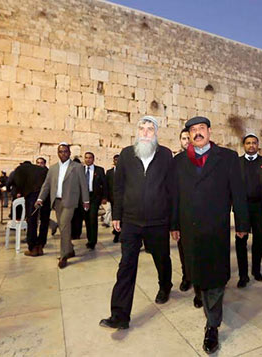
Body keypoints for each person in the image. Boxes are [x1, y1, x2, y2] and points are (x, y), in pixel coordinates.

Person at [170, 116, 249, 354]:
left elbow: (238, 191)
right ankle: (202, 295)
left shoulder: (227, 158)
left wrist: (243, 222)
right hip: (189, 227)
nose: (197, 133)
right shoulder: (179, 161)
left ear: (209, 132)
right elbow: (175, 195)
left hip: (216, 227)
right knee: (196, 271)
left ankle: (212, 325)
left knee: (215, 275)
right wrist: (174, 223)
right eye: (193, 130)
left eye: (201, 128)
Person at [100, 116, 173, 330]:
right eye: (142, 128)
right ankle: (120, 315)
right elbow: (119, 188)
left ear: (156, 133)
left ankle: (165, 285)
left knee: (161, 257)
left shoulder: (165, 155)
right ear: (137, 131)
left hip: (158, 221)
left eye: (150, 129)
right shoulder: (126, 154)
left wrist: (173, 221)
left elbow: (172, 190)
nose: (146, 132)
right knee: (126, 266)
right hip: (131, 221)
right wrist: (116, 215)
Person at [36, 143, 89, 269]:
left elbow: (83, 184)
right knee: (63, 227)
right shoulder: (53, 168)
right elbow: (46, 185)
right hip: (57, 202)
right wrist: (40, 198)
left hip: (70, 201)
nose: (63, 154)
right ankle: (70, 249)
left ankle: (64, 255)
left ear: (69, 153)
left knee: (64, 225)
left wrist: (86, 200)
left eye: (65, 151)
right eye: (60, 152)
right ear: (57, 153)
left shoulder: (77, 167)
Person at [235, 133, 262, 288]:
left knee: (259, 240)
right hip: (242, 208)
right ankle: (243, 275)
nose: (251, 145)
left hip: (260, 208)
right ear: (244, 145)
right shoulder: (237, 163)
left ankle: (256, 270)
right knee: (241, 240)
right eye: (248, 143)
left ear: (258, 145)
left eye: (254, 143)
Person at [13, 160, 49, 256]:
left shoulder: (20, 169)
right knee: (44, 221)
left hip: (32, 196)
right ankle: (40, 246)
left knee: (32, 221)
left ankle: (32, 248)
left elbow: (16, 183)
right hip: (46, 195)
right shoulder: (41, 169)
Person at [176, 128, 192, 292]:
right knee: (183, 249)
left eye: (189, 138)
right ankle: (186, 276)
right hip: (183, 214)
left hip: (200, 215)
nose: (187, 141)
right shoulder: (176, 161)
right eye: (183, 138)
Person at [81, 151, 108, 250]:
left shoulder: (99, 170)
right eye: (86, 158)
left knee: (93, 218)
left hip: (95, 197)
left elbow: (104, 184)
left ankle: (93, 241)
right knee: (87, 219)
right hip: (84, 197)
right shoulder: (81, 169)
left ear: (93, 159)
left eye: (90, 158)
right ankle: (89, 239)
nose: (88, 159)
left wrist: (105, 197)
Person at [105, 154, 120, 242]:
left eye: (118, 160)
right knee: (115, 215)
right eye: (115, 160)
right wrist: (106, 197)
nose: (117, 161)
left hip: (124, 199)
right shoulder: (109, 172)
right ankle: (116, 232)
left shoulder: (125, 171)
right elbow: (107, 185)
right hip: (113, 198)